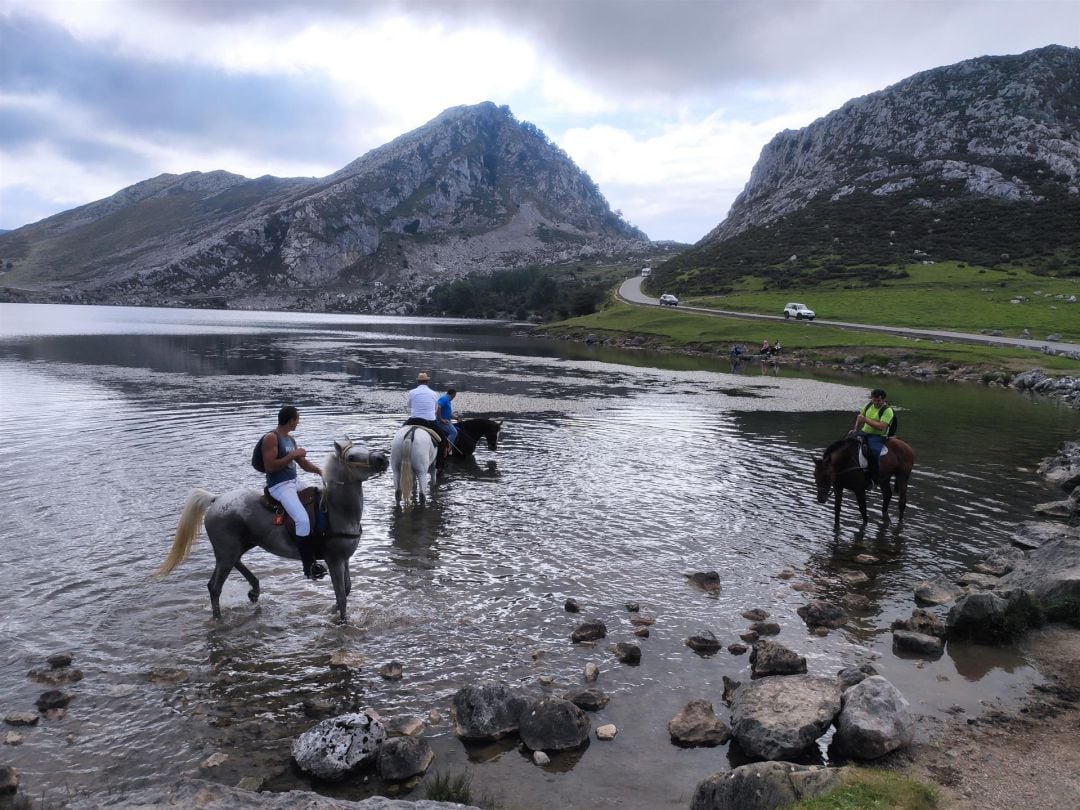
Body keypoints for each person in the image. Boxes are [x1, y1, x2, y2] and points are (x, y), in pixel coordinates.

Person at [261, 406, 326, 580]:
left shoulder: (290, 439)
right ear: (290, 420)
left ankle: (320, 543)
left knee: (319, 499)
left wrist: (320, 471)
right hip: (279, 486)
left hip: (294, 482)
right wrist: (293, 455)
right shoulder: (271, 438)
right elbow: (270, 466)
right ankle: (309, 567)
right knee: (302, 519)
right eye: (297, 419)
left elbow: (303, 464)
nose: (299, 422)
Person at [853, 388, 895, 488]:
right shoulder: (868, 405)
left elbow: (881, 427)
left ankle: (873, 478)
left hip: (878, 436)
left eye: (878, 401)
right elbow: (860, 417)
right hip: (864, 432)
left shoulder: (888, 411)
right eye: (874, 400)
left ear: (884, 399)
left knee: (873, 452)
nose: (876, 402)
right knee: (847, 443)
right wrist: (855, 429)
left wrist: (866, 420)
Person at [436, 387, 458, 452]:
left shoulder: (448, 401)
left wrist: (457, 418)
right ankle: (447, 449)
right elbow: (438, 407)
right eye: (455, 395)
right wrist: (441, 419)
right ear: (454, 394)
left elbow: (449, 414)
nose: (454, 397)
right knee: (454, 432)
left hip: (446, 420)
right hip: (441, 422)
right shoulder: (444, 399)